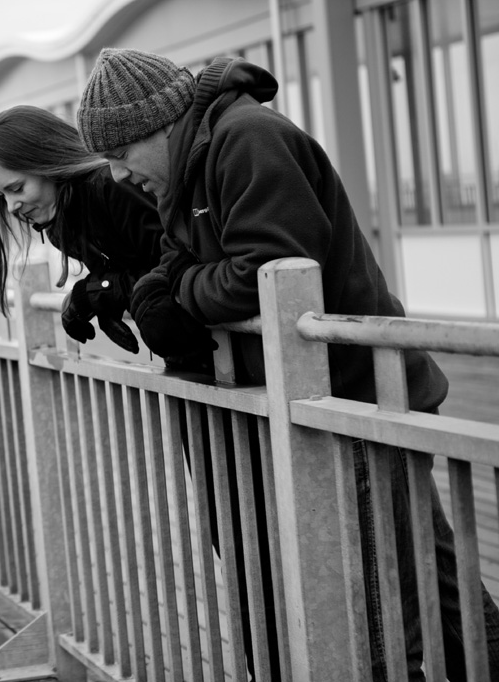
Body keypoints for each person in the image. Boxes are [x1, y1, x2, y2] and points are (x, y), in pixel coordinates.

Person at [77, 47, 499, 681]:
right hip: (341, 392)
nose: (116, 175)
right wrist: (160, 283)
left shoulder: (248, 140)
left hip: (350, 399)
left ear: (160, 125)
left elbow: (270, 271)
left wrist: (181, 292)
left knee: (374, 607)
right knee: (435, 581)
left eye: (120, 154)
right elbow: (177, 255)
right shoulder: (191, 163)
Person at [0, 104, 215, 367]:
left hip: (223, 343)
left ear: (48, 162)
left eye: (16, 188)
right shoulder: (60, 222)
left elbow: (178, 265)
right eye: (1, 196)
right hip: (190, 356)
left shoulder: (111, 187)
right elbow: (130, 275)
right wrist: (99, 294)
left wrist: (97, 292)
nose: (10, 206)